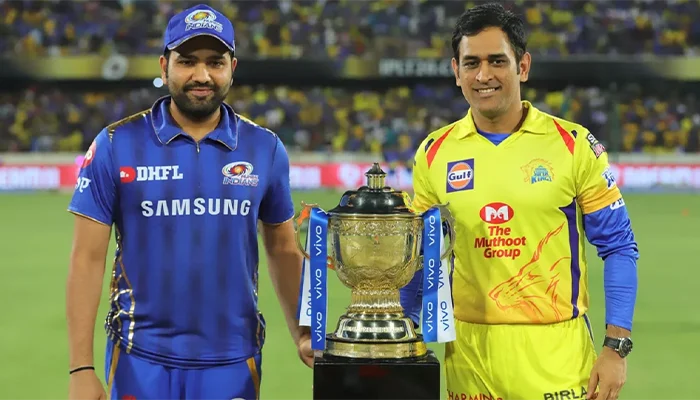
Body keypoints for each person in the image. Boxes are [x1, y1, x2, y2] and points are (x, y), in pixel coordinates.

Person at [65, 4, 312, 399]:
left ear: (233, 66)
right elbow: (86, 258)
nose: (202, 75)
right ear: (164, 67)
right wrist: (81, 368)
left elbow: (283, 248)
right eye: (187, 62)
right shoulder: (115, 144)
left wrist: (304, 329)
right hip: (138, 358)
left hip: (232, 361)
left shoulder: (264, 148)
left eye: (215, 62)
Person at [400, 3, 639, 400]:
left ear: (522, 66)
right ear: (456, 71)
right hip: (469, 355)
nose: (484, 75)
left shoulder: (573, 146)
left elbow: (618, 247)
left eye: (498, 61)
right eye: (471, 62)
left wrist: (616, 347)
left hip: (557, 355)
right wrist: (403, 335)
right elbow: (422, 256)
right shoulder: (433, 153)